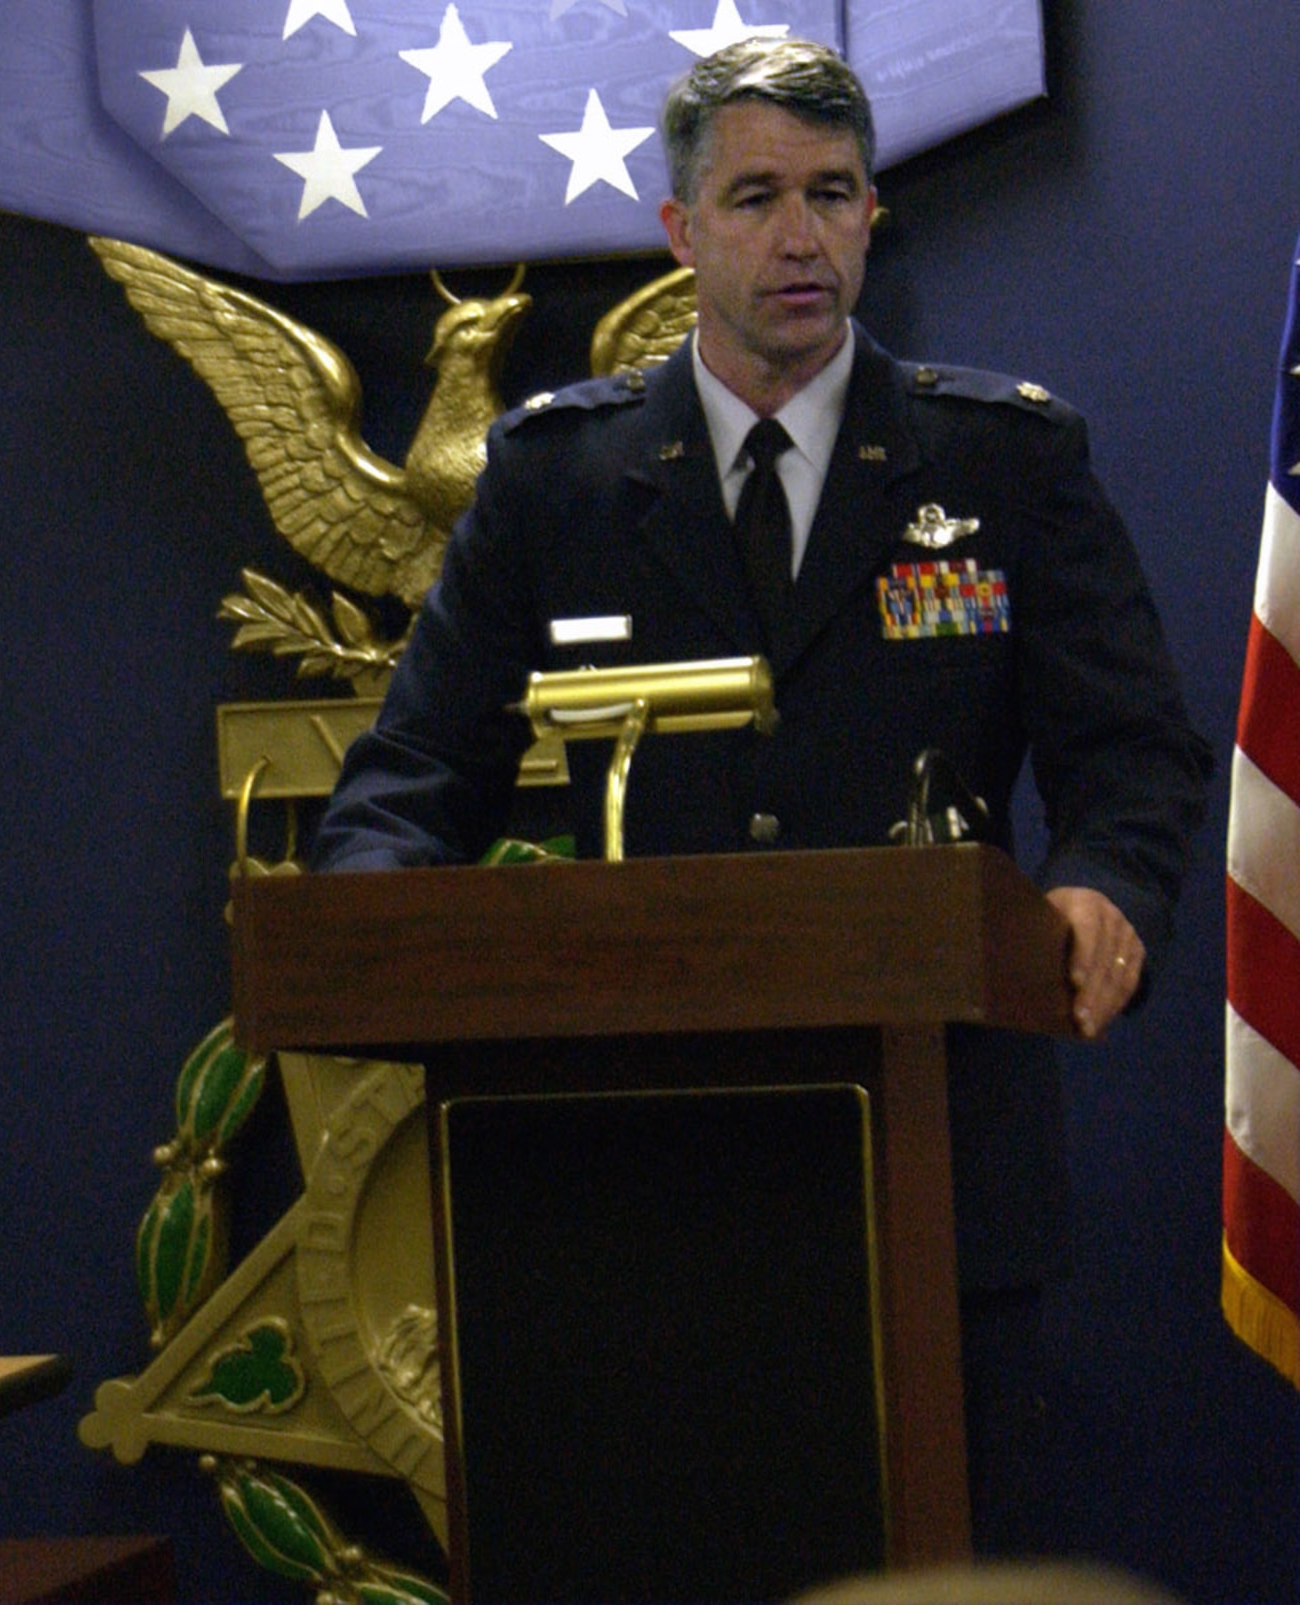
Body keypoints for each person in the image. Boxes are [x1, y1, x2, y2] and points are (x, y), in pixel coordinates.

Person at [311, 38, 1211, 1550]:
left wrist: (1103, 889)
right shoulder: (561, 480)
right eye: (754, 197)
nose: (799, 236)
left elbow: (1133, 753)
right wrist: (379, 925)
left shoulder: (1001, 464)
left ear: (869, 219)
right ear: (680, 233)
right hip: (631, 1187)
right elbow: (409, 778)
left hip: (940, 1165)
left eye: (832, 194)